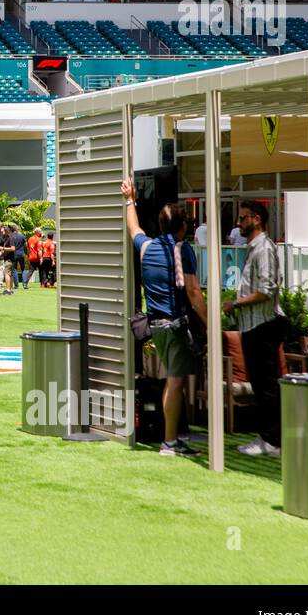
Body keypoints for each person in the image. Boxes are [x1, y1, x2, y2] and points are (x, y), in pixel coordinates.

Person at [122, 179, 207, 457]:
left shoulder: (147, 247)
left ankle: (173, 438)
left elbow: (133, 228)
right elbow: (194, 292)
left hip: (155, 325)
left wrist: (129, 199)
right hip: (176, 324)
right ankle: (170, 442)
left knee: (173, 378)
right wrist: (210, 323)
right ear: (183, 226)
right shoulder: (183, 250)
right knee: (175, 380)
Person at [225, 201, 283, 458]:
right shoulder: (254, 248)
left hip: (263, 325)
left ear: (256, 219)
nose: (239, 223)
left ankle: (272, 441)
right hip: (252, 325)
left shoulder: (264, 249)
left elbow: (266, 290)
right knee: (261, 385)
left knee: (267, 385)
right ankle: (267, 438)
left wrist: (235, 302)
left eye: (243, 218)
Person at [10, 225, 29, 290]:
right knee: (23, 268)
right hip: (21, 253)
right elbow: (26, 244)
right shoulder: (21, 235)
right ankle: (25, 284)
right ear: (16, 229)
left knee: (14, 269)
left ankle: (16, 285)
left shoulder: (11, 236)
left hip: (14, 254)